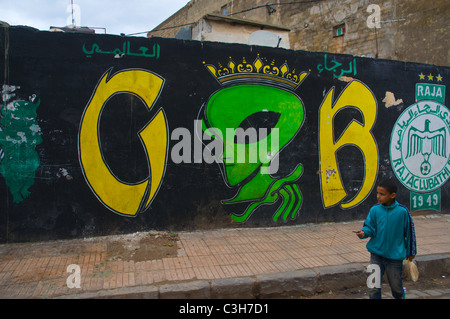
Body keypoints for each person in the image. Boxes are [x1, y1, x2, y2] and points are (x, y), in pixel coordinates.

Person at [354, 178, 416, 299]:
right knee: (373, 287)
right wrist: (363, 233)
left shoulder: (402, 212)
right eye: (377, 193)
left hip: (394, 258)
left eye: (382, 194)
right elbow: (369, 227)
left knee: (396, 287)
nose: (378, 196)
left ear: (393, 195)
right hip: (376, 255)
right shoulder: (375, 210)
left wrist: (411, 252)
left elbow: (409, 233)